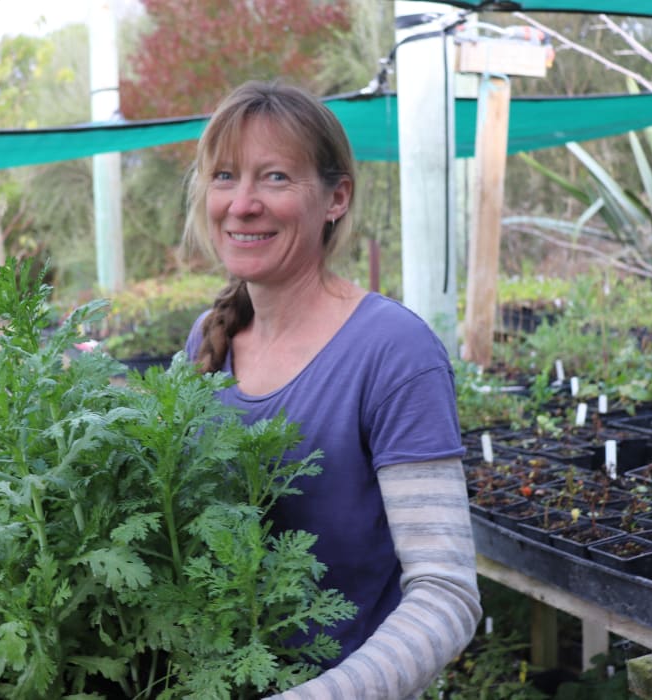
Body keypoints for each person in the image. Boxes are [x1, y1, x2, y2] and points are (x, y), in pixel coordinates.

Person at [182, 80, 482, 699]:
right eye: (225, 176)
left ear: (336, 197)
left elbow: (446, 596)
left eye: (275, 178)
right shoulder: (205, 342)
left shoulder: (393, 351)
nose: (242, 204)